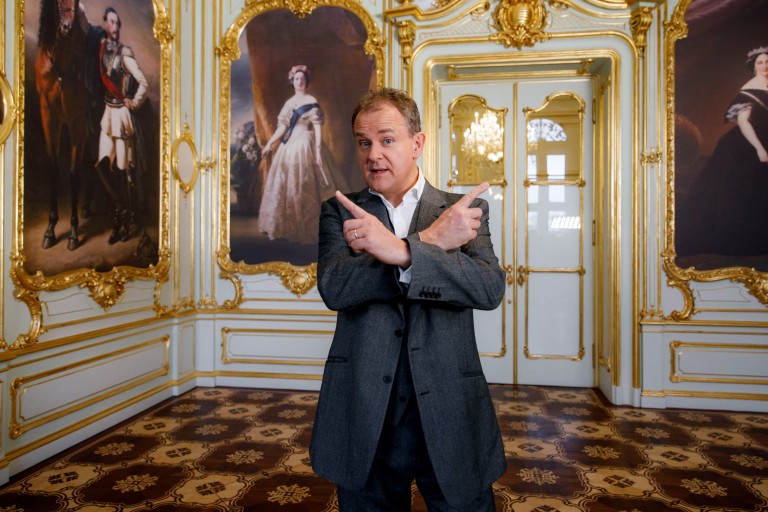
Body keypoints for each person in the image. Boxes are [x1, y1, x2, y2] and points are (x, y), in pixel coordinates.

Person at [309, 88, 506, 511]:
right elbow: (336, 287)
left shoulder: (462, 211)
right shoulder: (339, 211)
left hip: (450, 405)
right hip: (365, 407)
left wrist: (401, 252)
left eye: (387, 139)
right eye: (364, 142)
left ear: (417, 143)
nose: (373, 154)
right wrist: (430, 243)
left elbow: (489, 288)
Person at [676, 46, 768, 260]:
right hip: (746, 145)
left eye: (767, 62)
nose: (765, 66)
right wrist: (759, 149)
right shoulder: (750, 89)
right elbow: (744, 122)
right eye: (760, 63)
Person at [257, 64, 344, 245]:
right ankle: (287, 228)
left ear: (306, 81)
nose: (300, 81)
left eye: (303, 79)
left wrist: (318, 149)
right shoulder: (289, 103)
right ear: (293, 81)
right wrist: (270, 143)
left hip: (306, 143)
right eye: (297, 79)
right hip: (289, 145)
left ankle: (312, 228)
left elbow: (317, 127)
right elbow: (283, 127)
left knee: (308, 182)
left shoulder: (311, 100)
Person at [94, 6, 148, 245]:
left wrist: (133, 102)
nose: (114, 27)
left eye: (118, 23)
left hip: (122, 117)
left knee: (123, 172)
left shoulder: (125, 53)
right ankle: (121, 210)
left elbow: (143, 82)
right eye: (111, 22)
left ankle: (125, 220)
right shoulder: (101, 48)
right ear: (106, 24)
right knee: (103, 166)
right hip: (107, 115)